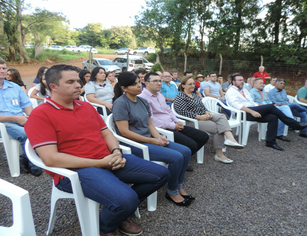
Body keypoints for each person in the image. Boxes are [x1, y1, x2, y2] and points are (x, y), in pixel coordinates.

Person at [25, 64, 169, 236]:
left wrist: (116, 152)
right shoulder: (41, 115)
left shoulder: (85, 106)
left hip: (107, 159)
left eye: (77, 81)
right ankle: (106, 227)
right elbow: (51, 159)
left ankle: (118, 212)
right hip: (75, 171)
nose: (78, 85)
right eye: (70, 82)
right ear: (53, 86)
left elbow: (106, 132)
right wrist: (100, 163)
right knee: (126, 199)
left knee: (161, 174)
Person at [112, 72, 194, 207]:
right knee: (176, 157)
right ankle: (172, 191)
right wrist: (152, 141)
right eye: (134, 84)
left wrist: (159, 137)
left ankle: (178, 185)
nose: (139, 86)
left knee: (186, 151)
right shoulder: (121, 103)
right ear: (124, 88)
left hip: (149, 139)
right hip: (134, 144)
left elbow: (150, 124)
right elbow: (124, 132)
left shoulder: (143, 101)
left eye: (139, 82)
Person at [139, 72, 209, 171]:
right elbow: (152, 120)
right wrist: (173, 126)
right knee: (191, 144)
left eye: (160, 81)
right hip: (162, 129)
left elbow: (168, 109)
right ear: (146, 83)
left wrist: (177, 121)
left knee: (203, 136)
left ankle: (183, 159)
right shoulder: (143, 98)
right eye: (155, 81)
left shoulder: (159, 95)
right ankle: (179, 161)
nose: (159, 83)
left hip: (173, 124)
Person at [225, 73, 307, 151]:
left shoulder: (244, 90)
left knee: (273, 117)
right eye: (239, 80)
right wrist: (252, 111)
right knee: (271, 106)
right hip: (243, 114)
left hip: (253, 110)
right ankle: (293, 124)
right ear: (233, 82)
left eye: (242, 80)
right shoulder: (231, 91)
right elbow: (236, 105)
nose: (242, 82)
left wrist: (261, 106)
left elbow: (252, 103)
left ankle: (270, 142)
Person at [174, 76, 244, 164]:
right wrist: (199, 117)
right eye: (190, 84)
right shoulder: (180, 97)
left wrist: (207, 112)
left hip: (203, 116)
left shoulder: (195, 95)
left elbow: (202, 107)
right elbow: (181, 112)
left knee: (221, 116)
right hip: (192, 121)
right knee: (217, 128)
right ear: (183, 85)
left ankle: (231, 139)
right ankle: (219, 154)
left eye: (193, 84)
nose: (192, 86)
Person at [0, 58, 42, 176]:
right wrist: (15, 118)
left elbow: (26, 105)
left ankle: (23, 158)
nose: (2, 71)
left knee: (43, 129)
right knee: (25, 134)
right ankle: (34, 162)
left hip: (20, 119)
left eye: (4, 68)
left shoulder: (14, 87)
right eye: (0, 69)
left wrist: (32, 118)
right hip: (3, 124)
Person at [250, 78, 294, 142]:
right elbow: (252, 103)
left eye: (263, 83)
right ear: (255, 84)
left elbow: (268, 101)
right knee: (283, 111)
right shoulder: (252, 92)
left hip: (269, 107)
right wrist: (264, 105)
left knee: (285, 108)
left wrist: (272, 104)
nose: (262, 84)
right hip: (260, 109)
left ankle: (288, 123)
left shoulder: (263, 91)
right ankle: (291, 122)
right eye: (260, 83)